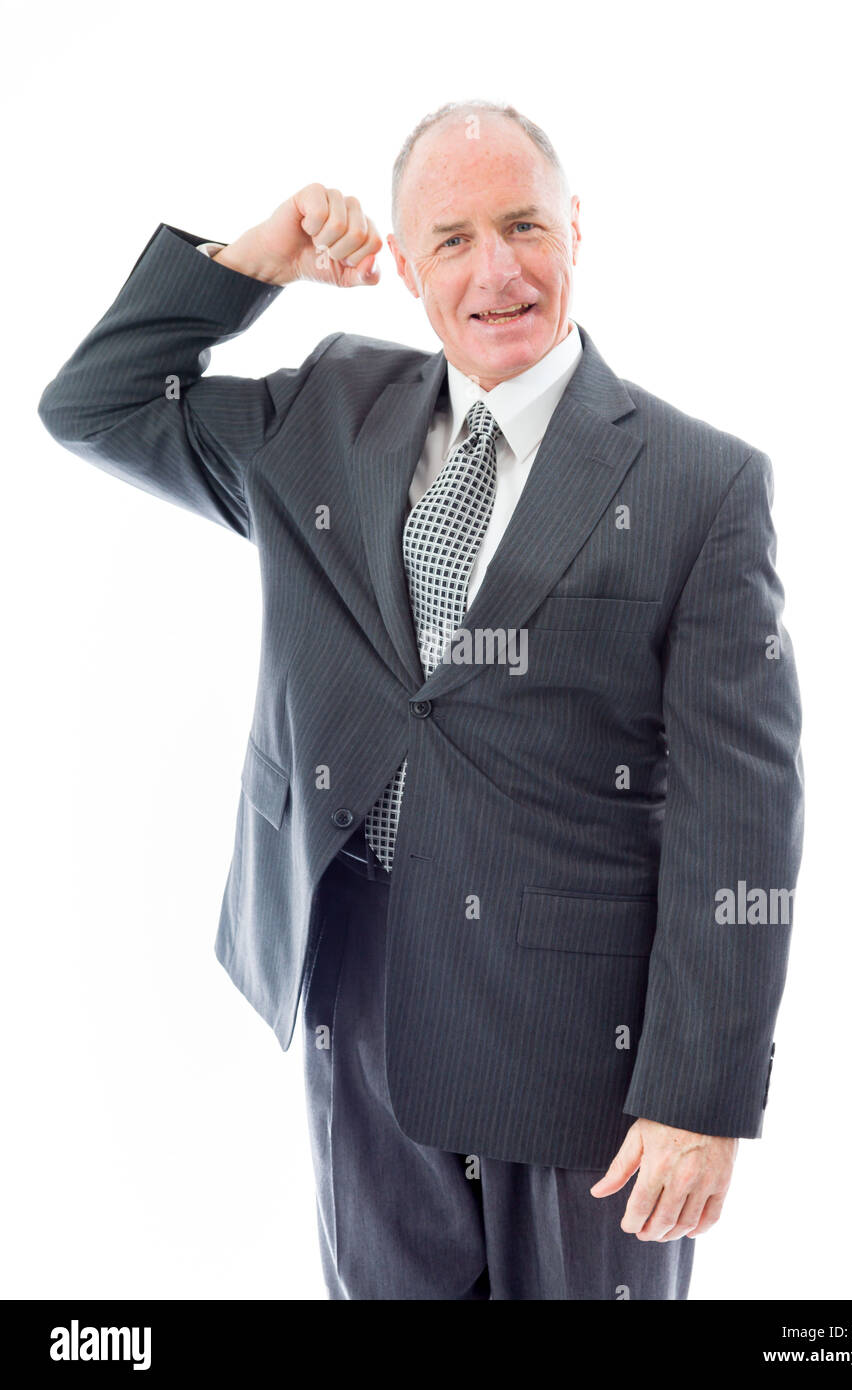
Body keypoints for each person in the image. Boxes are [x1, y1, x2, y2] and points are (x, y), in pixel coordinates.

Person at [37, 99, 804, 1300]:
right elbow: (94, 404)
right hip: (362, 983)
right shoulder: (320, 420)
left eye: (522, 226)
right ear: (402, 265)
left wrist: (699, 1099)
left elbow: (741, 820)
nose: (497, 270)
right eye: (451, 239)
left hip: (581, 1033)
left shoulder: (700, 484)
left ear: (575, 231)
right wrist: (256, 263)